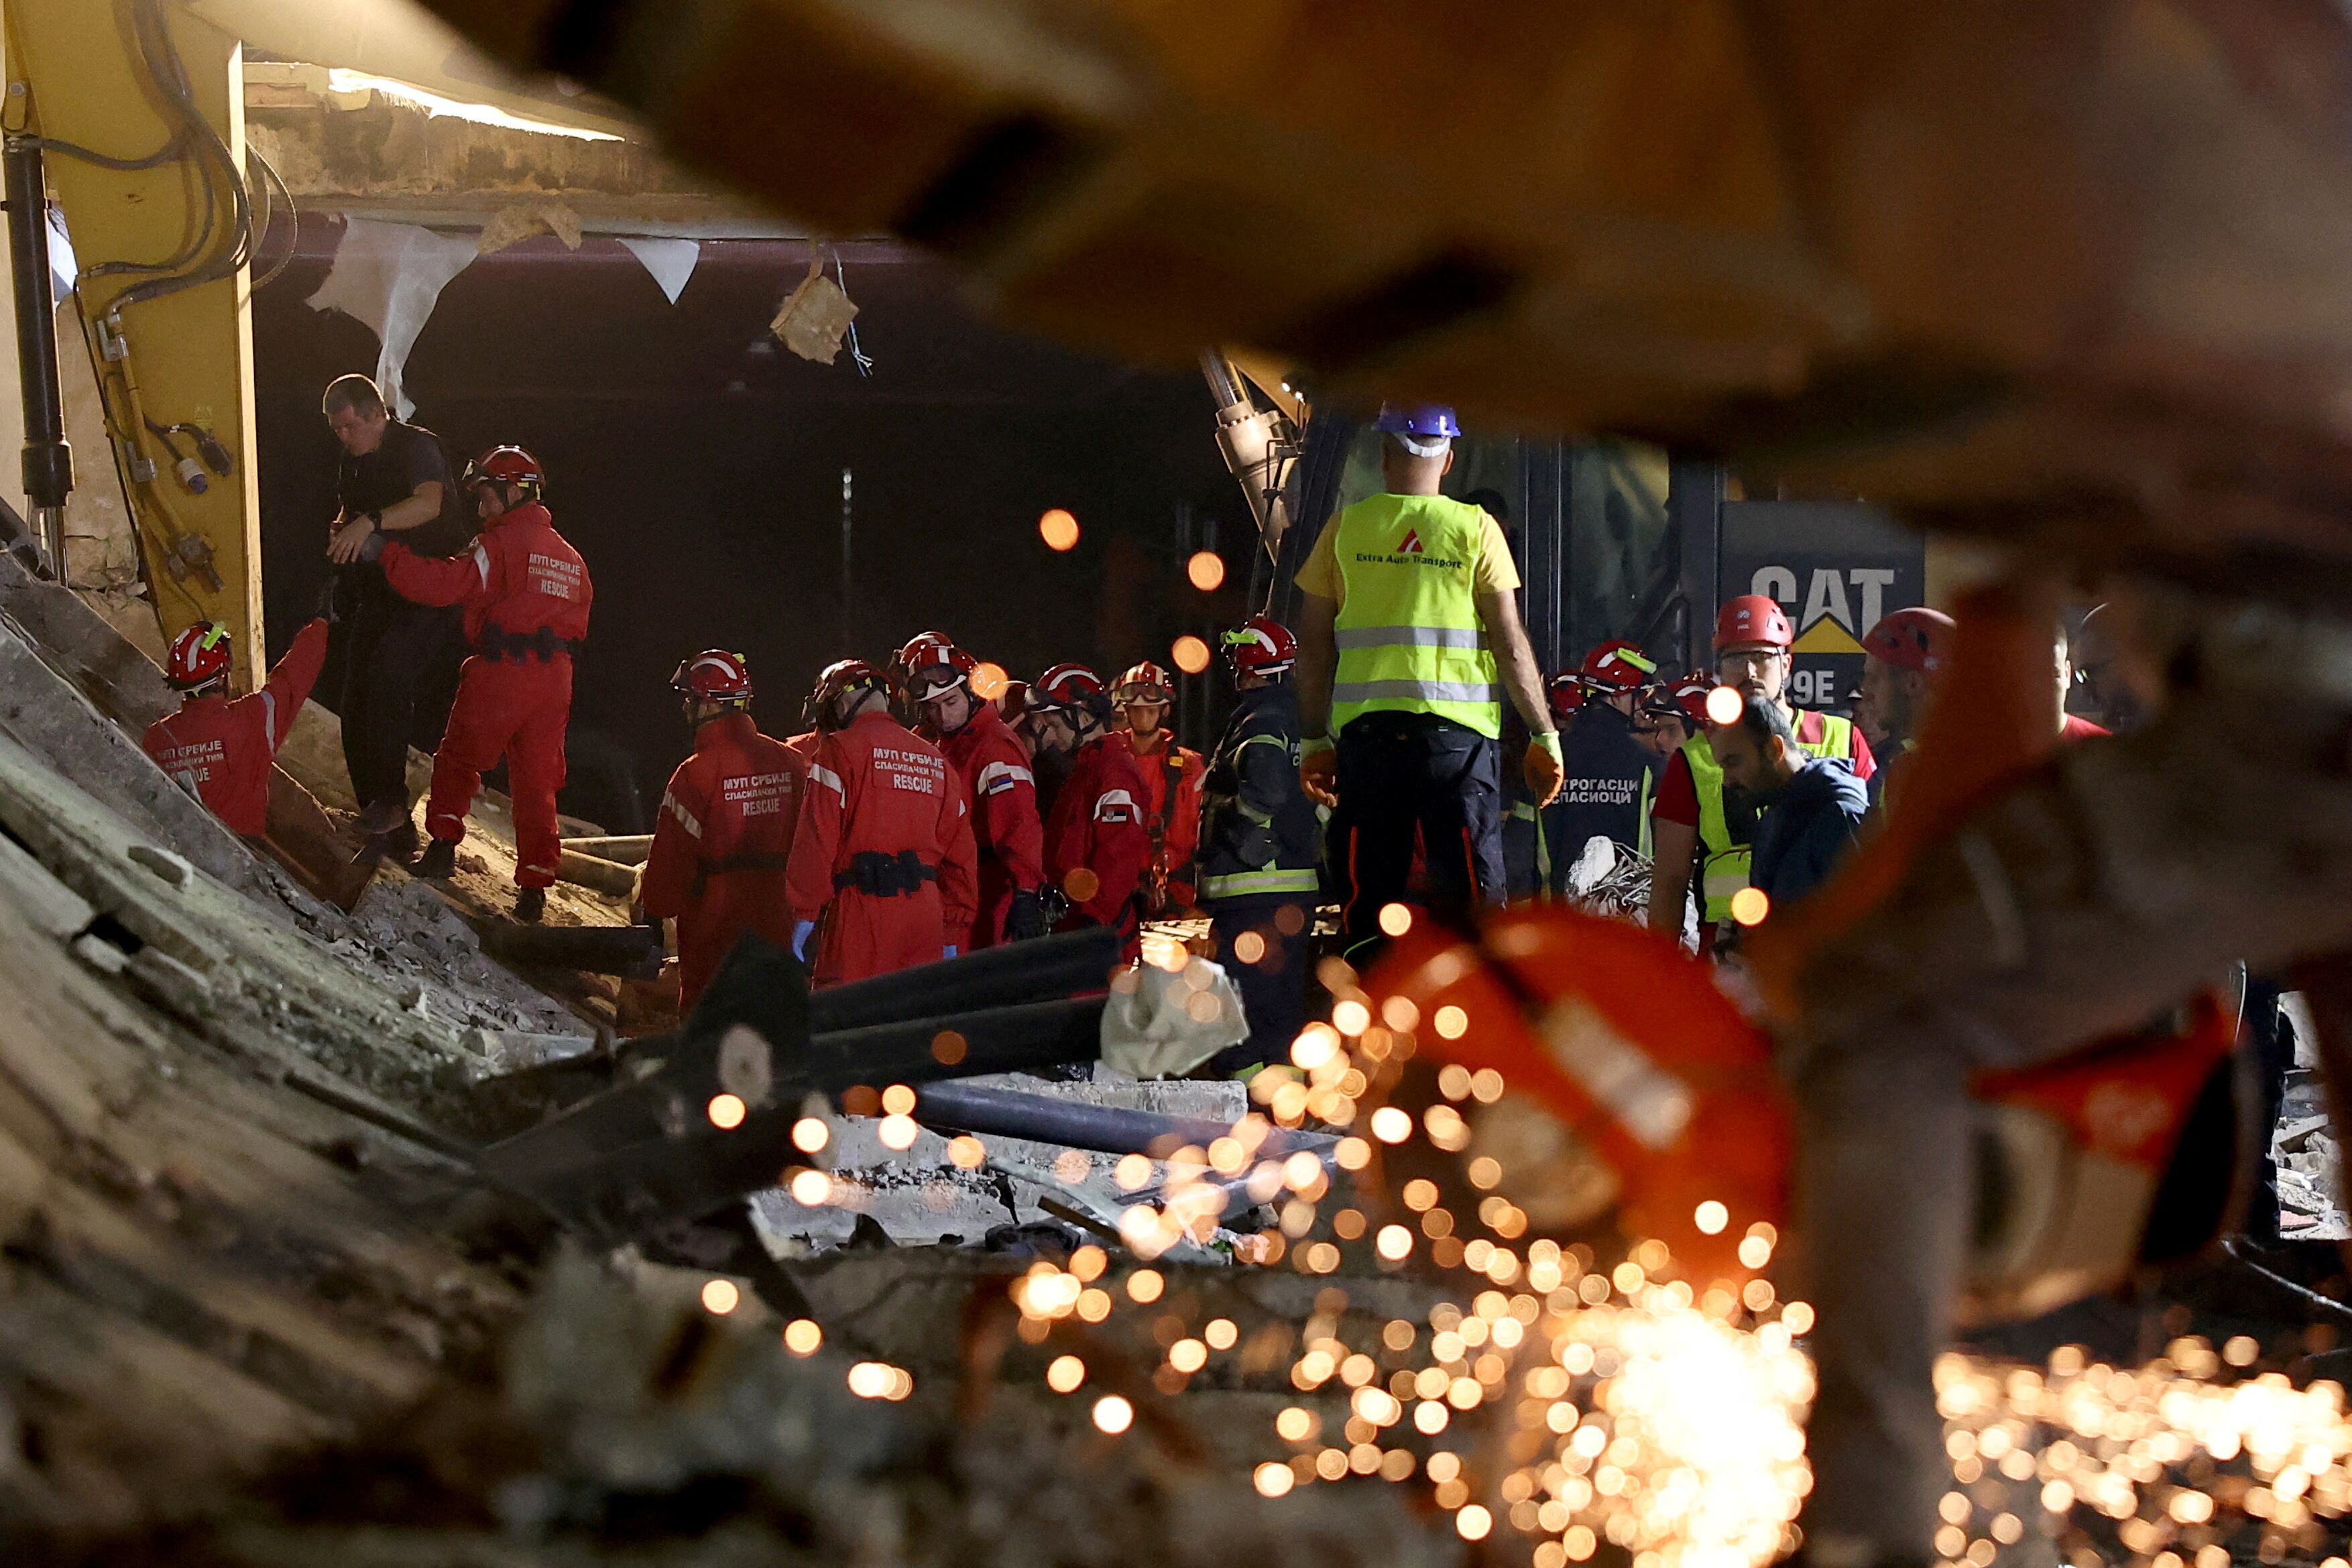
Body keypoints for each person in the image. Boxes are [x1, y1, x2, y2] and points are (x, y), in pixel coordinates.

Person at [1290, 403, 1564, 960]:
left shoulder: (1345, 530)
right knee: (1472, 906)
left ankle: (1371, 1023)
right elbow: (1510, 644)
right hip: (1457, 751)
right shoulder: (1477, 529)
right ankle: (1479, 1026)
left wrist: (1315, 739)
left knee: (1370, 905)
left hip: (1368, 750)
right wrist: (1544, 733)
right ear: (1450, 460)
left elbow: (1313, 647)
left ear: (1385, 453)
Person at [364, 445, 591, 922]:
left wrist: (388, 555)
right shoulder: (572, 559)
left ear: (513, 491)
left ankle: (443, 848)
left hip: (503, 670)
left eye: (488, 498)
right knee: (538, 783)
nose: (483, 510)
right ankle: (534, 890)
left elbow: (445, 584)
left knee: (460, 757)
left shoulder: (501, 543)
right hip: (557, 681)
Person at [1647, 595, 1875, 946]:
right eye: (1736, 658)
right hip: (1722, 956)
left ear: (1787, 663)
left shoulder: (1844, 738)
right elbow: (1669, 883)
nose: (1749, 671)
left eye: (1761, 656)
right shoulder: (1692, 759)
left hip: (1817, 957)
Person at [317, 374, 473, 851]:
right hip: (380, 589)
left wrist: (371, 522)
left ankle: (393, 799)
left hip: (429, 587)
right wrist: (344, 528)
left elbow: (428, 504)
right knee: (353, 697)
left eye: (348, 427)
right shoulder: (353, 461)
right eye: (335, 429)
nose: (343, 437)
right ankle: (383, 815)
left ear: (375, 415)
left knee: (389, 680)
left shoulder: (416, 447)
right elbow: (350, 511)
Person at [783, 658, 978, 985]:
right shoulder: (936, 761)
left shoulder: (838, 751)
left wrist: (803, 912)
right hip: (924, 919)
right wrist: (952, 929)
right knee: (913, 1024)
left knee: (849, 1023)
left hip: (861, 912)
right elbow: (961, 858)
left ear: (842, 703)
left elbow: (816, 840)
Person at [638, 650, 808, 1013]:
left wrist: (654, 907)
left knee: (709, 1027)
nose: (686, 707)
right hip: (781, 919)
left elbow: (669, 866)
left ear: (707, 705)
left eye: (691, 699)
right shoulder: (791, 762)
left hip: (714, 926)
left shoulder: (694, 775)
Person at [1197, 617, 1322, 1072]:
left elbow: (1266, 790)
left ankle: (1248, 1109)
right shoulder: (1294, 716)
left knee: (1240, 1012)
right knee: (1278, 1011)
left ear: (1249, 667)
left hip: (1256, 889)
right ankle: (1280, 1110)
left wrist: (1229, 819)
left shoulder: (1261, 717)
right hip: (1283, 889)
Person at [897, 632, 1047, 947]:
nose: (944, 715)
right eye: (933, 707)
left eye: (951, 702)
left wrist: (1025, 891)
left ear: (972, 694)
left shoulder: (995, 748)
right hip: (953, 889)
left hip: (989, 893)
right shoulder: (945, 745)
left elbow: (1019, 825)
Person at [143, 616, 331, 841]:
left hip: (174, 845)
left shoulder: (155, 739)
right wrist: (320, 625)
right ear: (222, 677)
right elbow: (294, 676)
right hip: (237, 855)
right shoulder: (253, 719)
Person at [1708, 692, 1869, 918]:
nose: (1727, 780)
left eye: (1733, 762)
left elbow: (1865, 931)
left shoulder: (1839, 816)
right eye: (1722, 766)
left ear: (1775, 748)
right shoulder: (1772, 821)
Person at [1029, 663, 1153, 939]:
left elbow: (1118, 855)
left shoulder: (1114, 772)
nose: (1050, 734)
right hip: (1075, 923)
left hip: (1097, 933)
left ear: (1084, 718)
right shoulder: (1086, 771)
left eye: (1055, 724)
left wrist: (1094, 922)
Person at [1541, 640, 1663, 892]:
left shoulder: (1549, 758)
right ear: (1619, 696)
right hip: (1625, 910)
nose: (1644, 707)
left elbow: (1523, 848)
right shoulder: (1648, 764)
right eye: (1640, 695)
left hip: (1558, 913)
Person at [1112, 659, 1206, 914]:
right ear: (1126, 710)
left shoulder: (1189, 765)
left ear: (1164, 710)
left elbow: (1202, 830)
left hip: (1177, 893)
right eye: (1137, 709)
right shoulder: (1108, 761)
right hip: (1119, 891)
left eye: (1151, 710)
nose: (1143, 716)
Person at [1854, 605, 1956, 808]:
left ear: (1913, 683)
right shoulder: (1901, 764)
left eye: (1874, 678)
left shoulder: (1938, 772)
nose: (1865, 690)